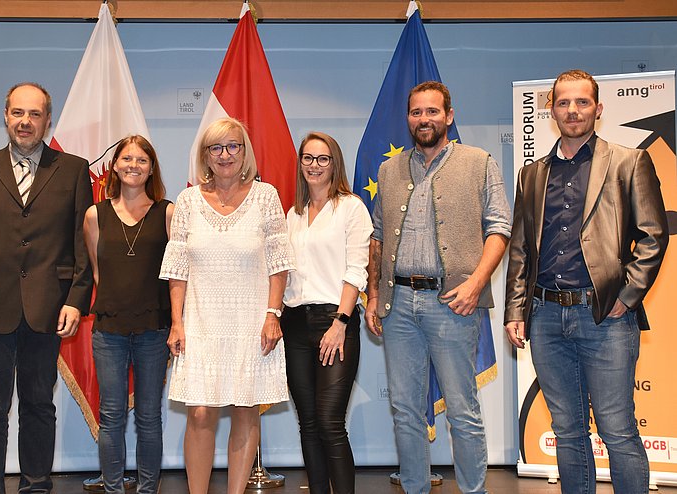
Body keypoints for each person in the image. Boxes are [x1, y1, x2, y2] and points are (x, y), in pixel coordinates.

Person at [504, 69, 669, 494]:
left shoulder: (629, 161)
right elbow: (520, 247)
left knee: (617, 430)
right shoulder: (532, 174)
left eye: (581, 102)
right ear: (551, 110)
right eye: (563, 103)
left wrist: (627, 296)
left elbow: (654, 235)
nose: (572, 110)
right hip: (544, 317)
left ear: (598, 109)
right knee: (568, 431)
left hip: (605, 318)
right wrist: (516, 310)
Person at [364, 81, 511, 494]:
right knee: (405, 410)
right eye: (416, 112)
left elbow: (500, 227)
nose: (423, 119)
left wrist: (476, 284)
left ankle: (473, 490)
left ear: (449, 115)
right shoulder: (389, 170)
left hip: (453, 305)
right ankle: (414, 488)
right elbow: (377, 236)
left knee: (462, 410)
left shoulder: (478, 162)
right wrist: (374, 294)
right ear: (408, 118)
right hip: (399, 306)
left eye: (432, 112)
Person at [0, 82, 93, 494]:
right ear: (5, 116)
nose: (25, 122)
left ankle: (36, 487)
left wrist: (76, 301)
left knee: (39, 408)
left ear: (48, 120)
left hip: (48, 308)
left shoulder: (73, 169)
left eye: (34, 114)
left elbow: (81, 244)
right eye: (17, 113)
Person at [160, 117, 294, 494]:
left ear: (245, 151)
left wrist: (273, 315)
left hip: (252, 322)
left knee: (245, 408)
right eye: (216, 148)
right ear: (205, 156)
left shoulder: (266, 196)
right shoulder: (187, 200)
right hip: (200, 322)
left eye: (233, 146)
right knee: (200, 413)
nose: (225, 155)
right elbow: (177, 268)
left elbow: (279, 263)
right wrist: (176, 321)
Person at [281, 132, 373, 494]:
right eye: (308, 158)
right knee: (308, 424)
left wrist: (341, 322)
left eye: (322, 159)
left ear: (334, 163)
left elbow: (357, 270)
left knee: (330, 421)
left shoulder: (350, 208)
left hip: (335, 322)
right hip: (295, 324)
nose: (314, 166)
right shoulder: (294, 214)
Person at [83, 135, 174, 494]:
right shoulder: (95, 215)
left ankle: (149, 489)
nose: (133, 166)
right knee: (111, 416)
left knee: (149, 417)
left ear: (151, 168)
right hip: (109, 330)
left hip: (154, 328)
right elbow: (97, 272)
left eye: (141, 160)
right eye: (126, 159)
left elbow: (177, 272)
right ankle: (113, 489)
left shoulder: (167, 212)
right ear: (115, 166)